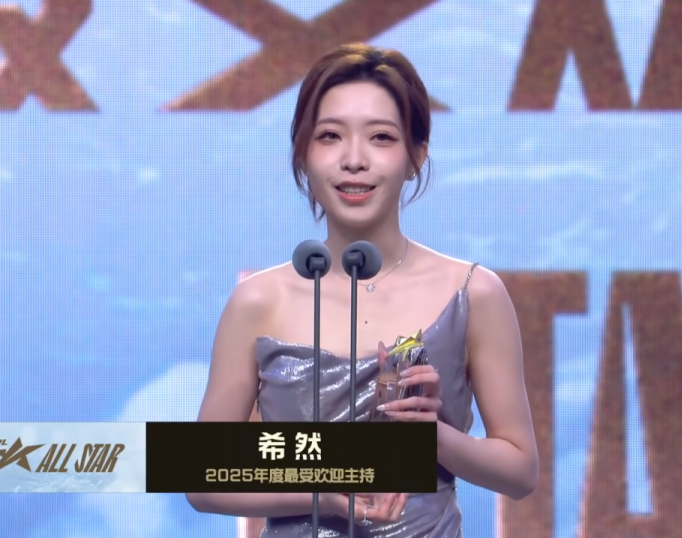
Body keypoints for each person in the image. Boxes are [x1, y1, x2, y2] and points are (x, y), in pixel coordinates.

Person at [187, 42, 539, 538]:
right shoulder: (258, 301)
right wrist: (324, 494)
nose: (354, 160)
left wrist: (433, 438)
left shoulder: (473, 292)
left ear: (416, 155)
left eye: (381, 137)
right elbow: (203, 477)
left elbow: (520, 472)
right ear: (303, 153)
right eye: (330, 136)